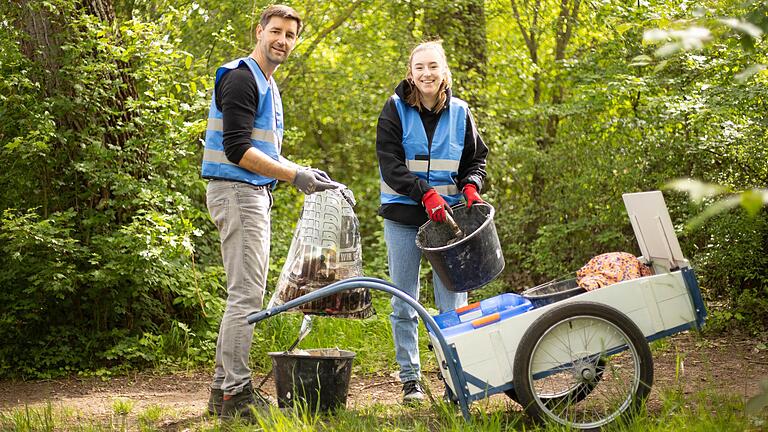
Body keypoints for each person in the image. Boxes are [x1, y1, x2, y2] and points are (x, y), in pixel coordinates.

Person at [201, 4, 337, 420]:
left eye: (290, 35)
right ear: (259, 31)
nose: (282, 40)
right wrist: (295, 175)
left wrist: (298, 171)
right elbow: (238, 149)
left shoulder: (266, 83)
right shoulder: (243, 78)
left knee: (243, 294)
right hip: (238, 193)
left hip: (249, 195)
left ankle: (221, 391)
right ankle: (236, 398)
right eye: (275, 31)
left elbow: (260, 149)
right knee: (245, 297)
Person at [376, 41, 488, 403]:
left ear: (444, 71)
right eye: (419, 67)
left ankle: (455, 378)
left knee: (453, 305)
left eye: (433, 66)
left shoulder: (461, 112)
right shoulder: (394, 110)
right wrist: (423, 192)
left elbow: (476, 160)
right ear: (411, 72)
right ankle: (411, 381)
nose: (426, 73)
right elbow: (390, 165)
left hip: (450, 224)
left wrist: (471, 186)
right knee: (404, 303)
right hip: (404, 217)